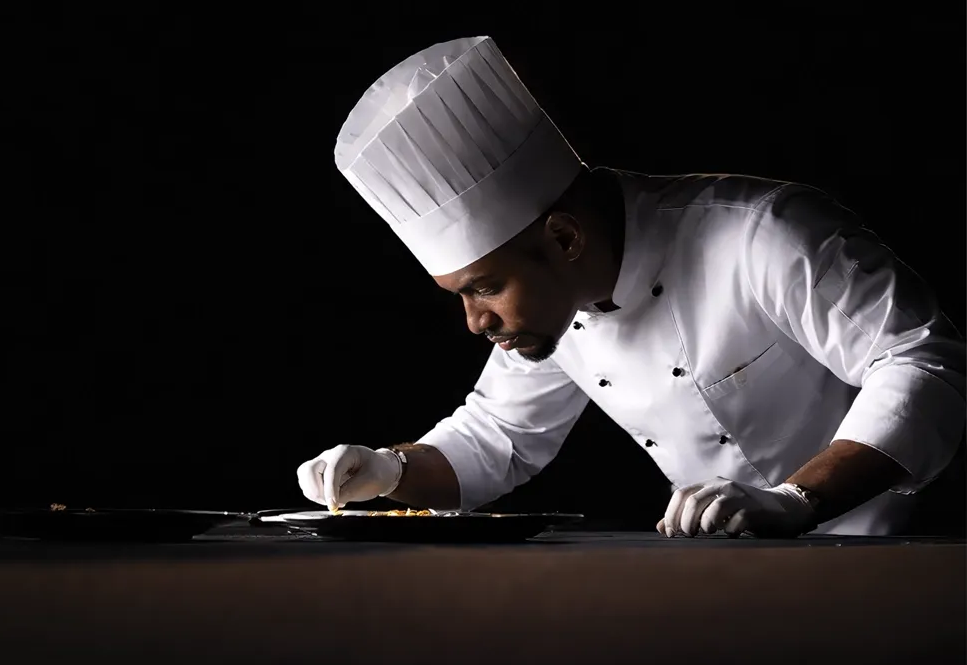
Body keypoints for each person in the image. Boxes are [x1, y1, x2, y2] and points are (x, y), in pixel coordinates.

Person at [297, 36, 965, 537]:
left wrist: (796, 500)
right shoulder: (553, 309)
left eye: (483, 288)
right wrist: (387, 470)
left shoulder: (762, 232)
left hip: (910, 557)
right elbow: (498, 437)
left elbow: (924, 362)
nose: (476, 322)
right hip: (748, 583)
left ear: (563, 239)